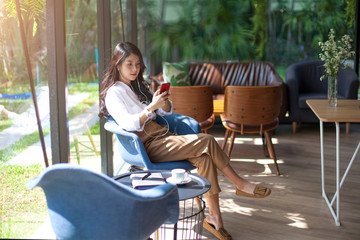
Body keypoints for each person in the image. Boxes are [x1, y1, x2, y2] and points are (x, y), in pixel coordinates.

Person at [99, 42, 271, 240]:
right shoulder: (114, 93)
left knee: (205, 160)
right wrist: (151, 108)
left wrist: (161, 103)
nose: (135, 69)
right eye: (129, 64)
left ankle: (215, 219)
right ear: (117, 64)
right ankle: (240, 184)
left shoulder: (134, 87)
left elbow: (162, 113)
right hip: (148, 146)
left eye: (137, 64)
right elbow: (129, 124)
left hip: (164, 138)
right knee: (207, 140)